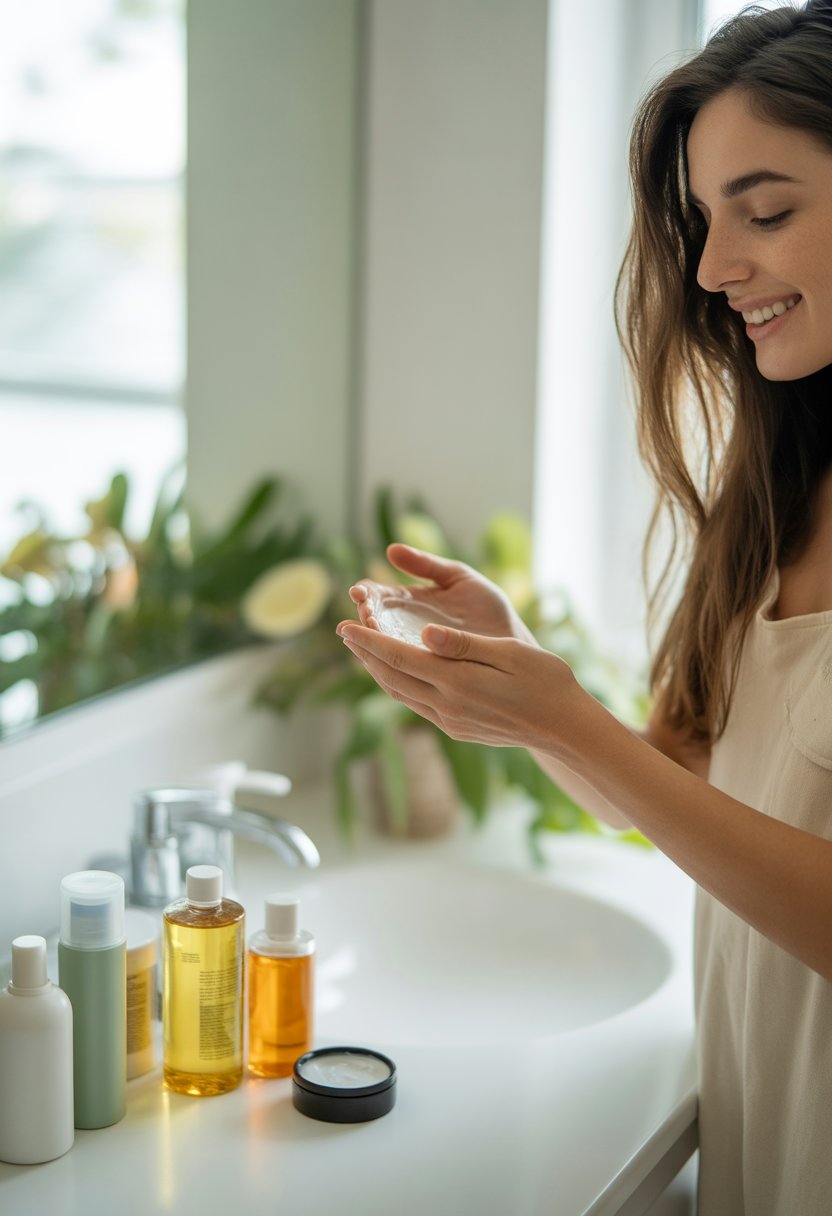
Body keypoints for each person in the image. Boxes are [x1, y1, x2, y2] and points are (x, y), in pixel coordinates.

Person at [336, 3, 832, 1213]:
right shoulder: (777, 485)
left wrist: (567, 721)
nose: (715, 269)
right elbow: (682, 791)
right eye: (706, 221)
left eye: (765, 212)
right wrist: (520, 693)